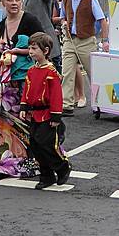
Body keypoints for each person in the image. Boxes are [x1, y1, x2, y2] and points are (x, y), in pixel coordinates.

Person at [0, 0, 45, 178]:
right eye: (10, 0)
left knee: (26, 124)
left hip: (26, 81)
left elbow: (43, 48)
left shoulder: (30, 21)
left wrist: (19, 51)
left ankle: (32, 164)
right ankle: (1, 165)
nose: (14, 3)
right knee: (1, 126)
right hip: (6, 84)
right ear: (3, 2)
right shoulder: (1, 25)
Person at [19, 32, 71, 190]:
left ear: (46, 51)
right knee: (34, 144)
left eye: (34, 48)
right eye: (30, 48)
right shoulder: (31, 71)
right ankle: (46, 175)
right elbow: (27, 90)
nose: (31, 51)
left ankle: (62, 167)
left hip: (48, 114)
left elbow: (56, 95)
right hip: (35, 114)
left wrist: (56, 115)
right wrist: (24, 107)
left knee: (46, 143)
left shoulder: (51, 73)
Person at [58, 0, 110, 114]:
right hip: (70, 40)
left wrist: (105, 40)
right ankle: (66, 103)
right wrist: (63, 22)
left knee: (93, 72)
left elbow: (102, 21)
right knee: (67, 71)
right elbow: (63, 17)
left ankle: (100, 102)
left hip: (86, 40)